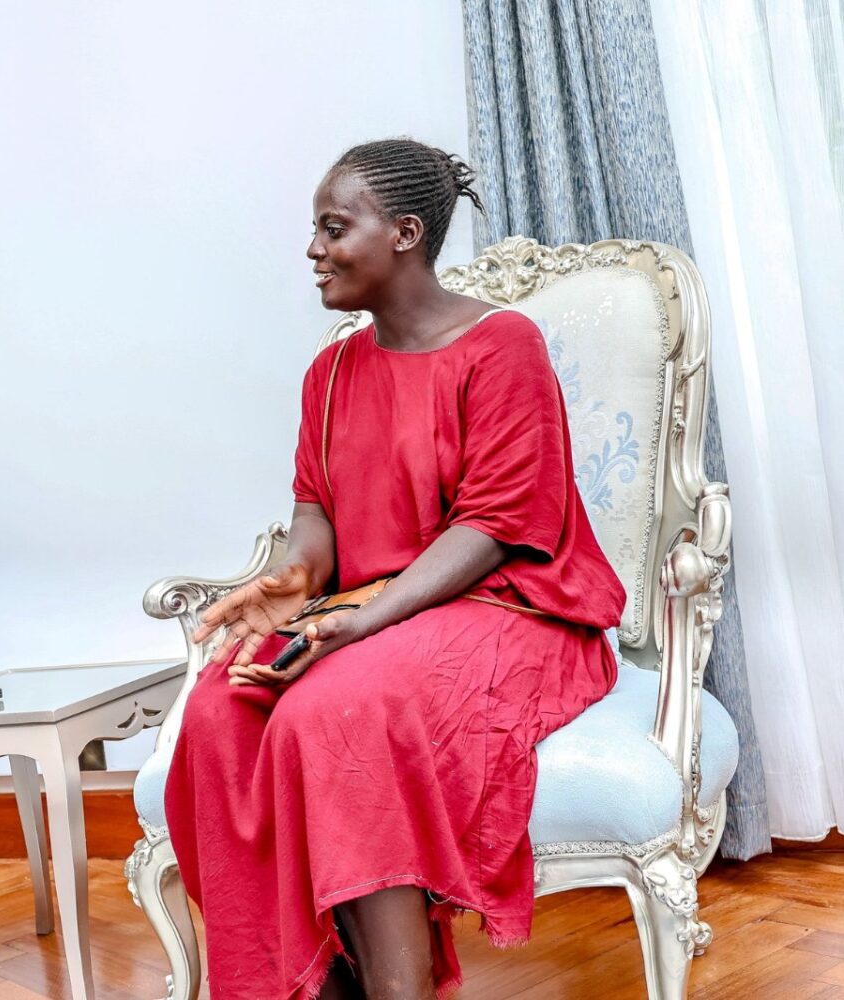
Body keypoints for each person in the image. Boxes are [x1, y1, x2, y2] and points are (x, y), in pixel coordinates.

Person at [162, 139, 625, 1000]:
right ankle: (304, 986)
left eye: (333, 228)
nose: (312, 250)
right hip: (374, 613)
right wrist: (297, 580)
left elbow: (492, 527)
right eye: (315, 229)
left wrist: (364, 623)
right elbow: (314, 520)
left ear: (405, 233)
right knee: (218, 713)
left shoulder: (502, 346)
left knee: (334, 711)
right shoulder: (329, 372)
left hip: (511, 612)